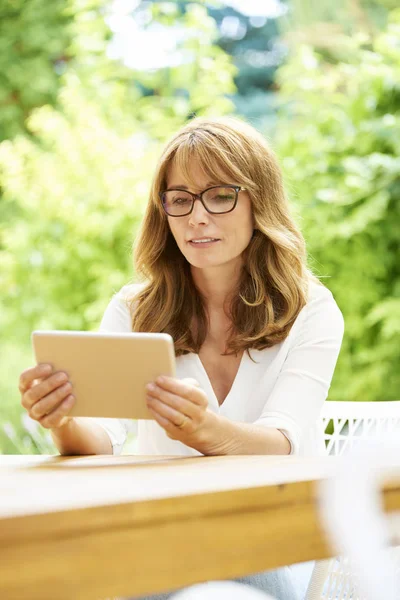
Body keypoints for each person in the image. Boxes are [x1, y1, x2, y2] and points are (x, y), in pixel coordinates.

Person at [18, 116, 344, 600]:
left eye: (219, 195)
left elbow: (284, 445)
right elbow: (102, 438)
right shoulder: (135, 308)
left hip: (272, 542)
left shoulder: (310, 310)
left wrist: (203, 430)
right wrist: (61, 419)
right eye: (180, 199)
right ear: (163, 210)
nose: (196, 217)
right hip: (159, 537)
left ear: (260, 202)